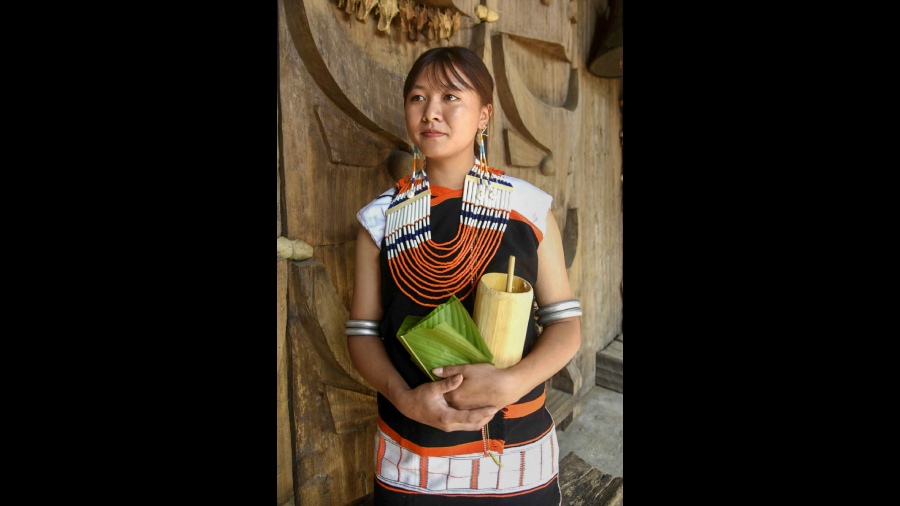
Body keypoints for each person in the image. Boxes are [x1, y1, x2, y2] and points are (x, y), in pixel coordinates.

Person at [346, 45, 582, 504]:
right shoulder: (379, 219)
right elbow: (362, 333)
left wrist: (512, 382)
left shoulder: (529, 208)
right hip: (413, 451)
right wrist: (404, 397)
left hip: (517, 444)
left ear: (484, 115)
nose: (431, 112)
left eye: (450, 96)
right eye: (417, 98)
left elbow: (565, 324)